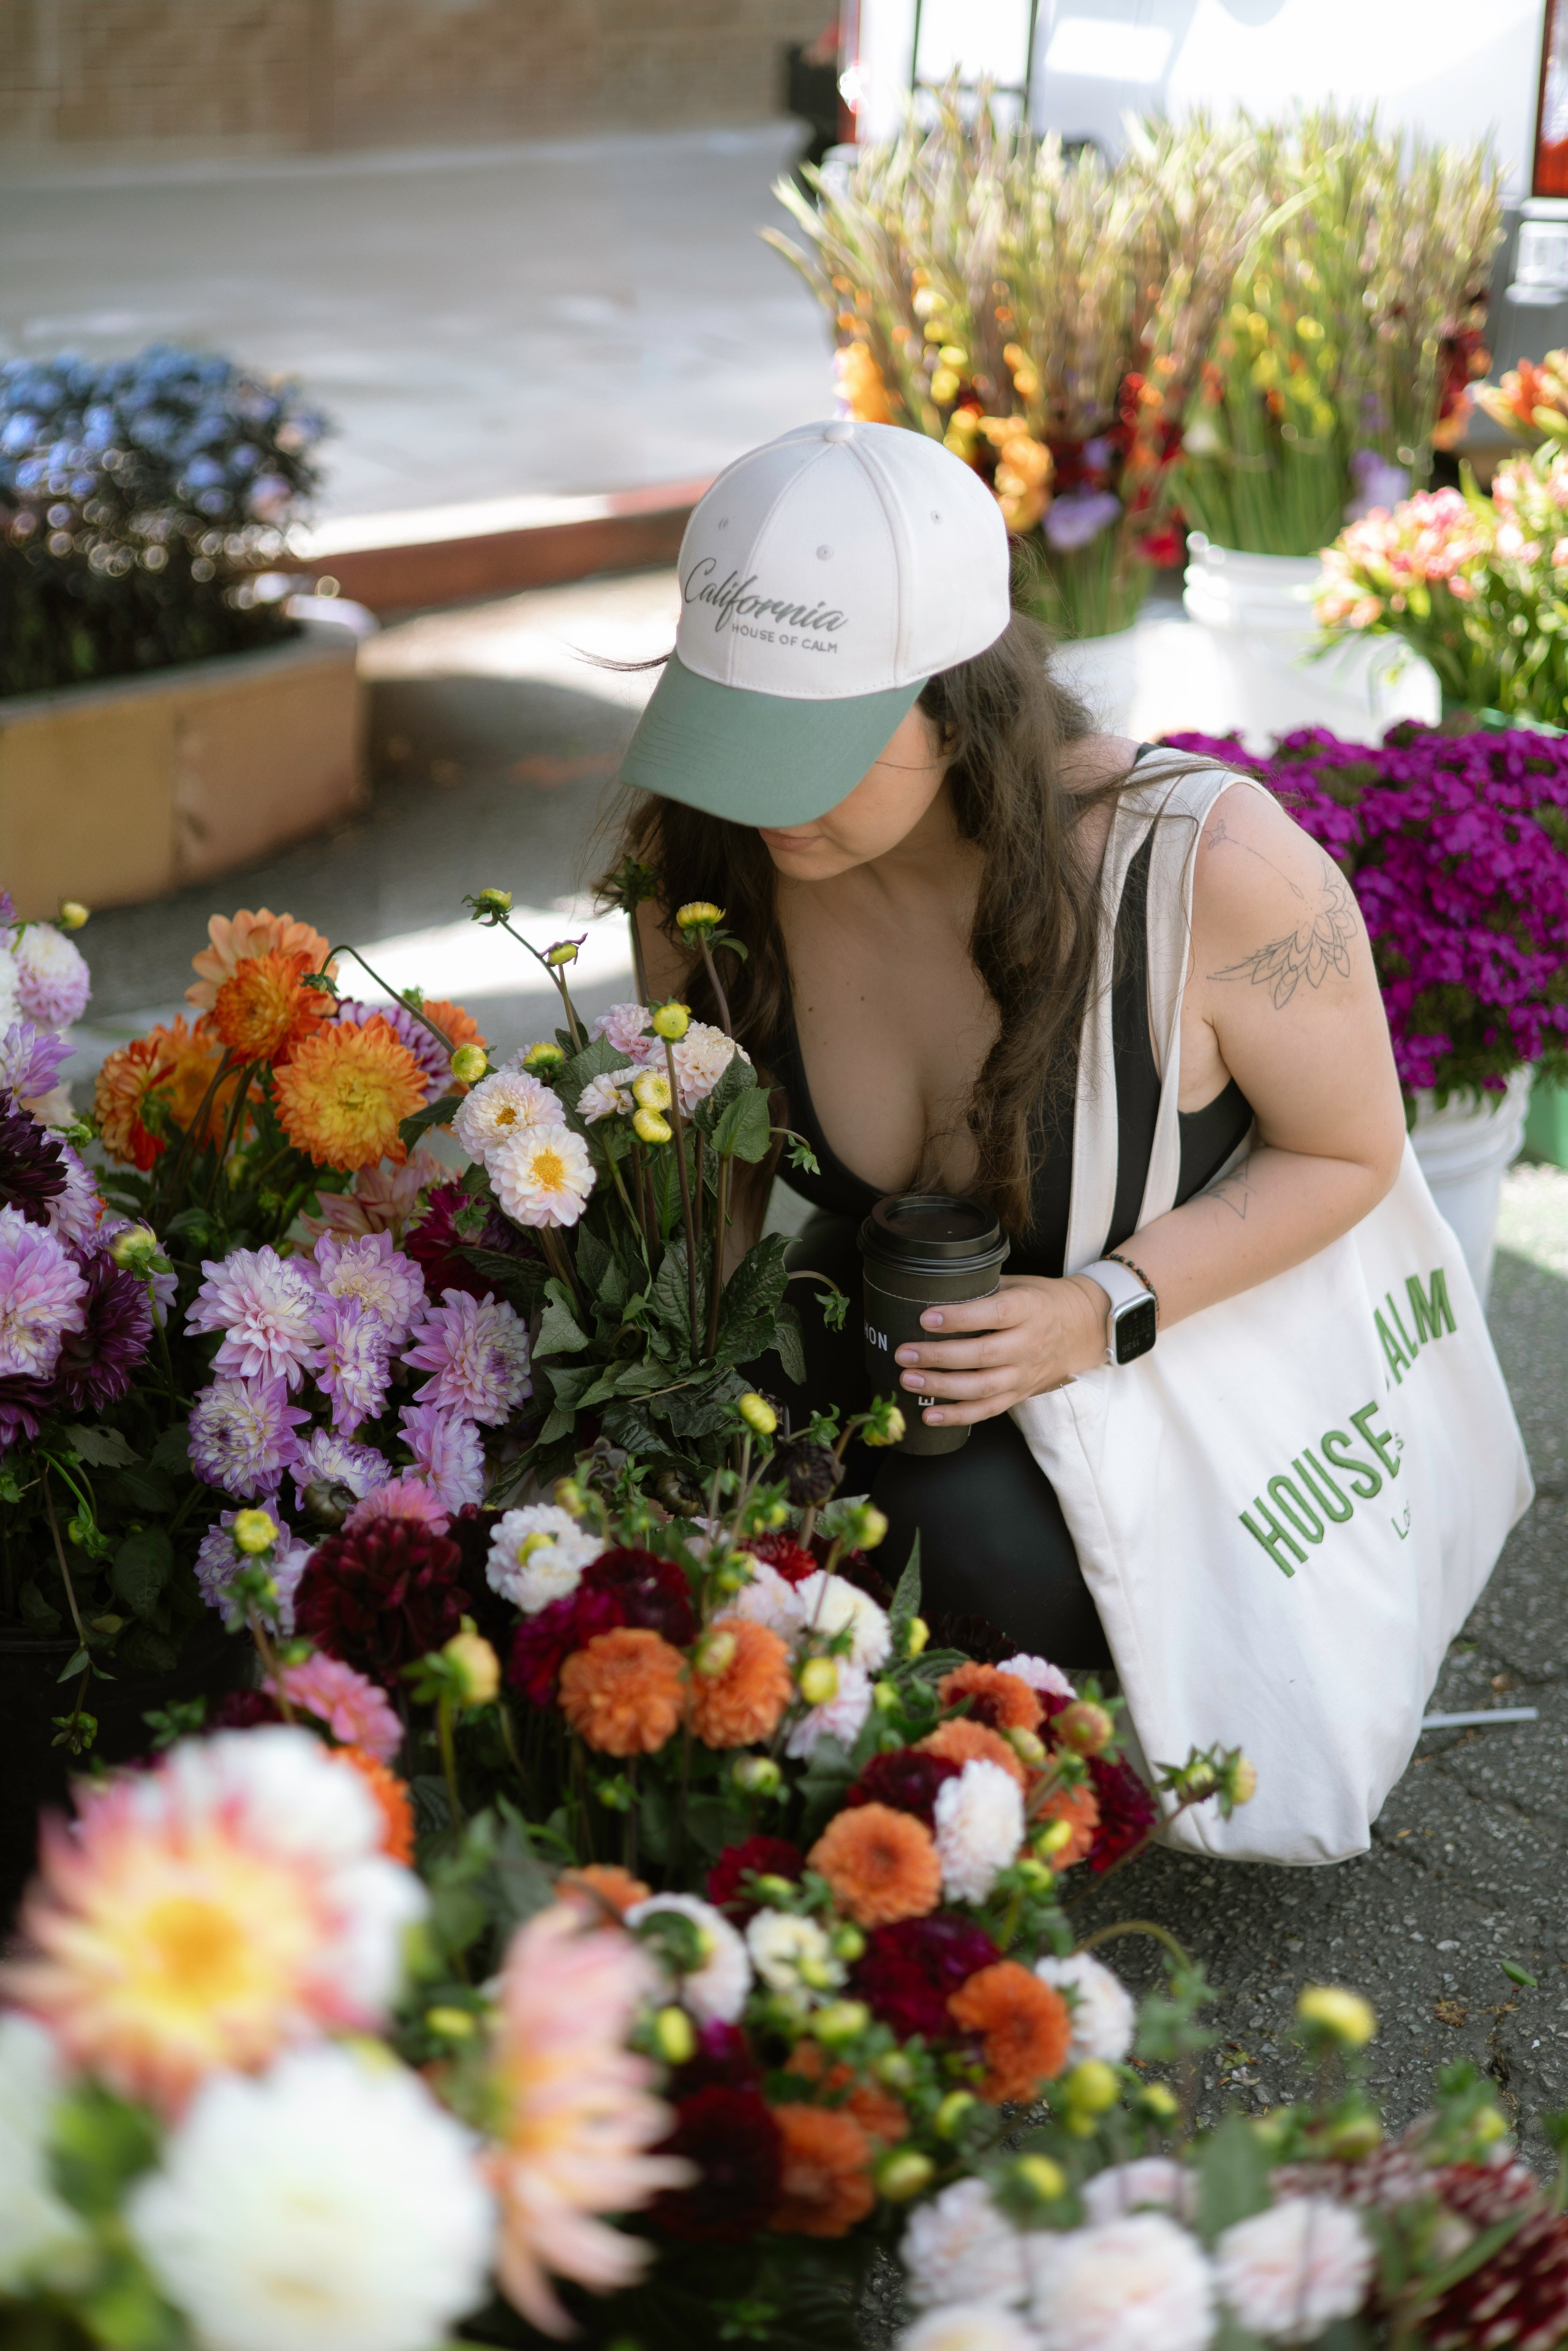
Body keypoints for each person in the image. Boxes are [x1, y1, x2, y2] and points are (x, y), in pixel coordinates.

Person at [605, 419, 1406, 1668]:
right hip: (898, 1344)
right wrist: (661, 1397)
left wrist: (1100, 1310)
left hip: (1177, 1361)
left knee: (960, 1536)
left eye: (806, 747)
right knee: (717, 1476)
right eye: (729, 729)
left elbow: (1349, 1151)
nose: (757, 795)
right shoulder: (702, 856)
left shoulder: (1214, 868)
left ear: (962, 704)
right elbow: (712, 1169)